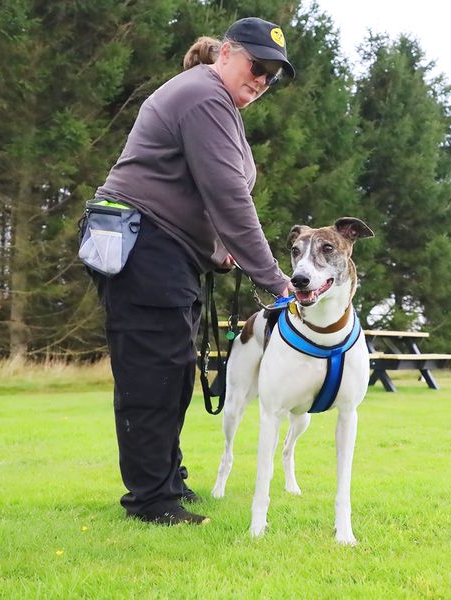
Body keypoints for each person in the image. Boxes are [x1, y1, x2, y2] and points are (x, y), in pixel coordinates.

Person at [91, 17, 295, 525]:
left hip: (165, 250)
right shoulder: (206, 96)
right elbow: (228, 197)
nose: (262, 80)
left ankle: (166, 484)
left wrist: (218, 250)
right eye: (257, 65)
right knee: (154, 376)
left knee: (174, 373)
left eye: (273, 75)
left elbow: (211, 193)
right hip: (142, 244)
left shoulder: (216, 101)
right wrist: (273, 280)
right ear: (226, 53)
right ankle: (150, 501)